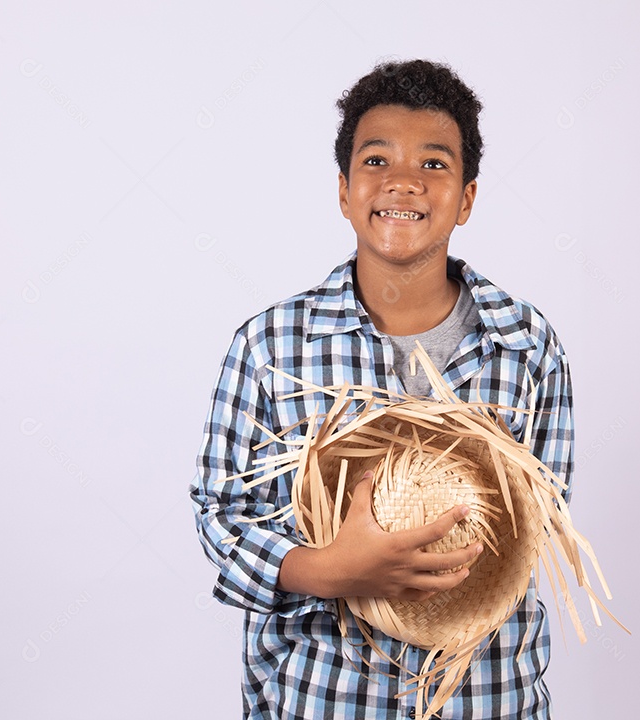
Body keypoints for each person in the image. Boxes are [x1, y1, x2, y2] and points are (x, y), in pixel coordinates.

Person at [189, 58, 574, 719]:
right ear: (343, 191)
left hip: (483, 699)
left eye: (433, 164)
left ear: (468, 197)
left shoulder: (526, 345)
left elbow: (536, 526)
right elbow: (222, 520)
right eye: (376, 161)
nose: (403, 181)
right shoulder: (272, 346)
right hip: (325, 699)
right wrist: (329, 570)